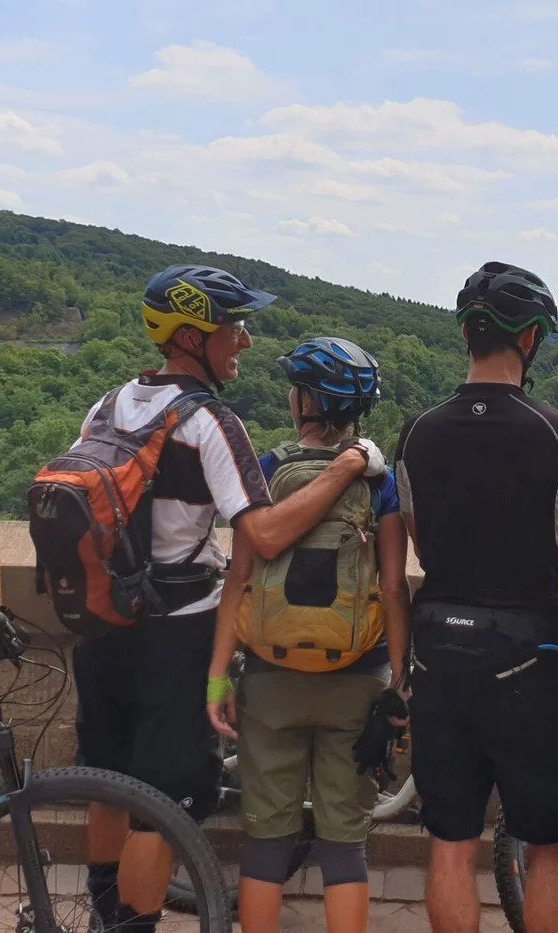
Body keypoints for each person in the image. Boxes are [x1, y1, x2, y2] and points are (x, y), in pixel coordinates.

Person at [75, 265, 389, 933]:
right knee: (162, 804)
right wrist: (346, 465)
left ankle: (100, 913)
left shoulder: (106, 405)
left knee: (108, 780)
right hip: (176, 631)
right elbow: (265, 534)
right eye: (234, 326)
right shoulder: (211, 420)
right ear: (192, 336)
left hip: (104, 619)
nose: (244, 340)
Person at [394, 261, 558, 933]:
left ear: (466, 335)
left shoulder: (417, 431)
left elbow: (421, 546)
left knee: (450, 845)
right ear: (530, 337)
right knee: (550, 845)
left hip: (438, 651)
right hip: (530, 657)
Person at [204, 336, 412, 933]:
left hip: (271, 679)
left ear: (303, 402)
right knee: (345, 845)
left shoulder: (267, 471)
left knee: (267, 841)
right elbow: (393, 586)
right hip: (358, 677)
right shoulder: (379, 482)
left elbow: (239, 578)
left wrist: (218, 678)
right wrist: (400, 680)